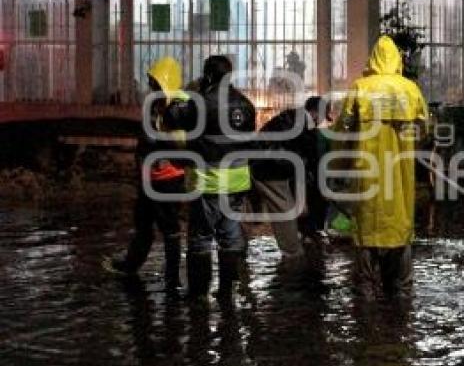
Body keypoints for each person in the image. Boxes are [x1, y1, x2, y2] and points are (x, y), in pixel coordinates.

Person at [335, 35, 427, 299]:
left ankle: (365, 295)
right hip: (400, 174)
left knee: (366, 228)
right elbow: (424, 128)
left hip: (368, 172)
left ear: (373, 58)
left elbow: (343, 130)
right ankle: (401, 294)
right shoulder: (410, 89)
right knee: (400, 227)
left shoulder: (361, 88)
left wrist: (341, 166)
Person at [164, 55, 256, 300]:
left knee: (201, 238)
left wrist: (186, 92)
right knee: (231, 235)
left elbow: (170, 117)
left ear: (207, 76)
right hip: (238, 183)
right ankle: (227, 292)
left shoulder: (199, 103)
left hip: (208, 182)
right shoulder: (246, 104)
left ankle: (198, 294)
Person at [106, 56, 187, 291]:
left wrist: (163, 151)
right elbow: (145, 139)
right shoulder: (155, 106)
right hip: (149, 179)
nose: (152, 87)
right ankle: (131, 265)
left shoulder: (180, 107)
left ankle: (172, 278)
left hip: (169, 180)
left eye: (156, 83)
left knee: (170, 229)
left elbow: (183, 143)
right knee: (142, 224)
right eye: (151, 83)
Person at [251, 96, 330, 267]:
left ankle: (238, 250)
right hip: (269, 171)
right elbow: (300, 157)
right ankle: (293, 257)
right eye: (323, 118)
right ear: (317, 113)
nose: (322, 122)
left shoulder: (292, 118)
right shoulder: (300, 124)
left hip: (263, 167)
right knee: (285, 211)